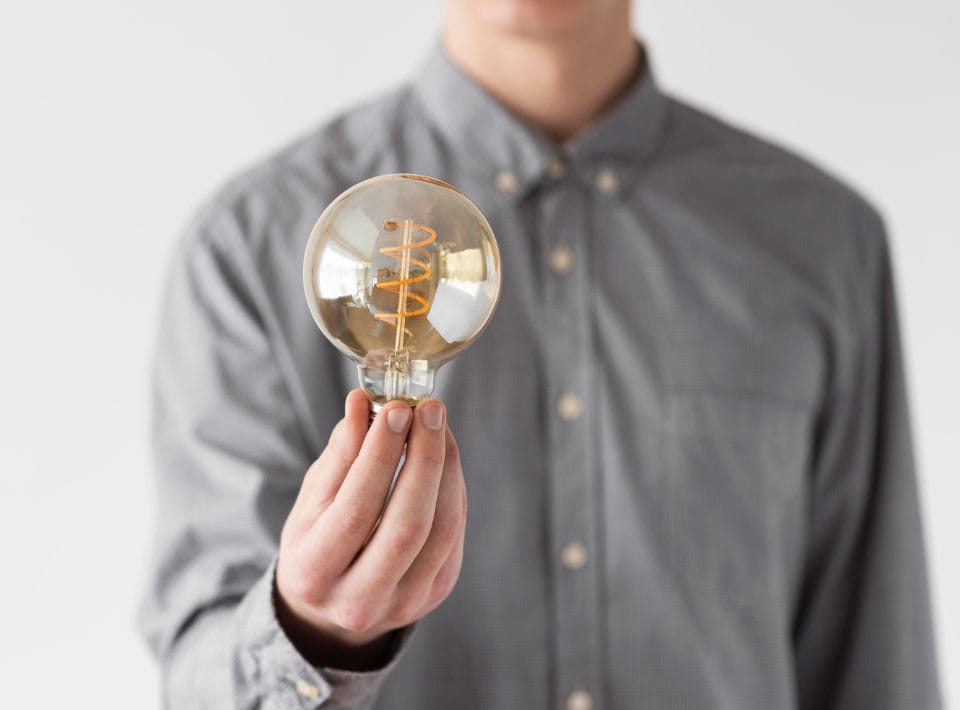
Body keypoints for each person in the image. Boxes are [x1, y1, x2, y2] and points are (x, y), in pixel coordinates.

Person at [138, 0, 943, 708]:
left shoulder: (824, 245)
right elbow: (197, 677)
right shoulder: (249, 247)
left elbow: (877, 665)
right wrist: (310, 632)